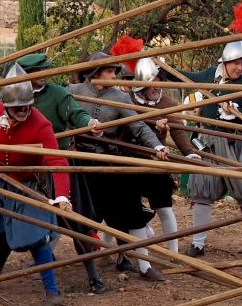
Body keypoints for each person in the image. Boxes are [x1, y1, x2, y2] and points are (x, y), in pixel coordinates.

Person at [0, 64, 72, 306]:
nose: (23, 111)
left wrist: (62, 196)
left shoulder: (40, 124)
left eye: (27, 106)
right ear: (6, 106)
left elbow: (57, 160)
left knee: (35, 235)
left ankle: (52, 291)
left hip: (24, 184)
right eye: (17, 108)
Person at [69, 51, 169, 281]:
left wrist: (156, 147)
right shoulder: (73, 92)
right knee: (78, 215)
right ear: (95, 73)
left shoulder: (120, 98)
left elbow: (139, 126)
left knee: (131, 212)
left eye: (115, 71)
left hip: (109, 163)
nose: (114, 76)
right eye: (109, 71)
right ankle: (85, 270)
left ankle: (144, 266)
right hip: (80, 164)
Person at [11, 52, 106, 291]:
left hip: (59, 164)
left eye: (45, 71)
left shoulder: (58, 94)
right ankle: (44, 264)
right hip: (30, 168)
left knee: (77, 223)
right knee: (31, 219)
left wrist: (89, 123)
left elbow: (76, 112)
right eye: (37, 73)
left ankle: (93, 275)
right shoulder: (12, 95)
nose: (43, 76)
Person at [182, 41, 242, 257]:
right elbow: (185, 77)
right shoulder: (209, 76)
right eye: (237, 63)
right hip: (209, 142)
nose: (240, 68)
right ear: (226, 61)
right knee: (202, 190)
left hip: (236, 143)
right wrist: (161, 68)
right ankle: (198, 244)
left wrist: (238, 111)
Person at [128, 56, 200, 251]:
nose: (156, 87)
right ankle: (116, 253)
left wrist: (189, 152)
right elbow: (131, 127)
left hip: (156, 163)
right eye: (152, 83)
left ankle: (173, 252)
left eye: (158, 82)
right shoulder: (127, 101)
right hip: (130, 162)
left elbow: (177, 130)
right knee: (125, 209)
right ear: (141, 85)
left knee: (165, 208)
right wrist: (153, 124)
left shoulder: (167, 103)